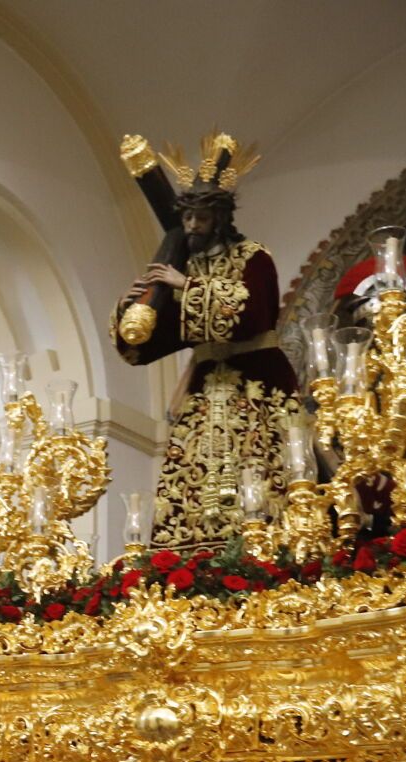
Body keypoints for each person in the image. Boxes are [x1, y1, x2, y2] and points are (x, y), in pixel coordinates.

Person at [114, 132, 296, 549]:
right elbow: (161, 337)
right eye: (187, 218)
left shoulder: (254, 256)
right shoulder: (183, 262)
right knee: (192, 483)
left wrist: (188, 284)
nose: (193, 226)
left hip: (256, 383)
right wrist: (132, 310)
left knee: (259, 471)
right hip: (204, 388)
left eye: (202, 218)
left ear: (222, 217)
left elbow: (250, 314)